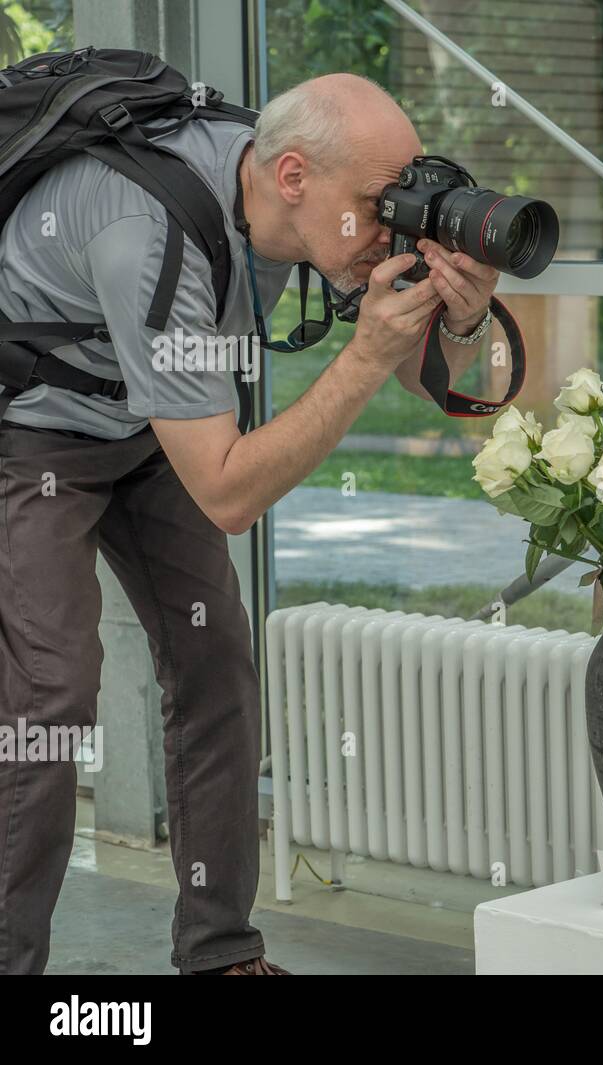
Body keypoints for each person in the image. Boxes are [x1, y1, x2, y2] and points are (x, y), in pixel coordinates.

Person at [0, 72, 500, 974]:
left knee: (217, 663)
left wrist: (457, 320)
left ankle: (220, 950)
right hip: (35, 427)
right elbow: (228, 493)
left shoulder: (292, 198)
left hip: (154, 424)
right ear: (295, 176)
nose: (388, 227)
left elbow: (437, 371)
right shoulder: (145, 232)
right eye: (374, 206)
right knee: (51, 692)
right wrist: (363, 354)